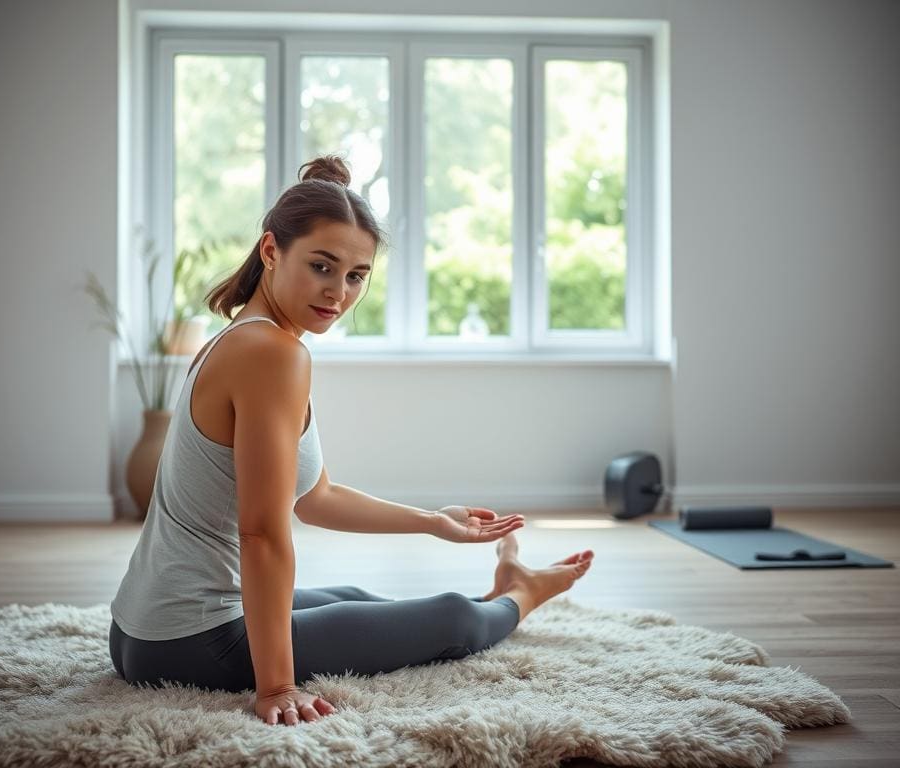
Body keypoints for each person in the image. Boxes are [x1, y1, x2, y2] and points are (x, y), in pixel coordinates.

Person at [108, 155, 596, 727]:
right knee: (452, 621)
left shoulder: (245, 337)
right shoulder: (271, 353)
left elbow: (316, 497)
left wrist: (432, 521)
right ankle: (522, 594)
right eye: (322, 266)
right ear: (271, 251)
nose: (338, 292)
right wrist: (277, 687)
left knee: (355, 597)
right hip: (189, 640)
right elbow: (263, 531)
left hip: (140, 630)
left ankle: (495, 595)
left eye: (357, 275)